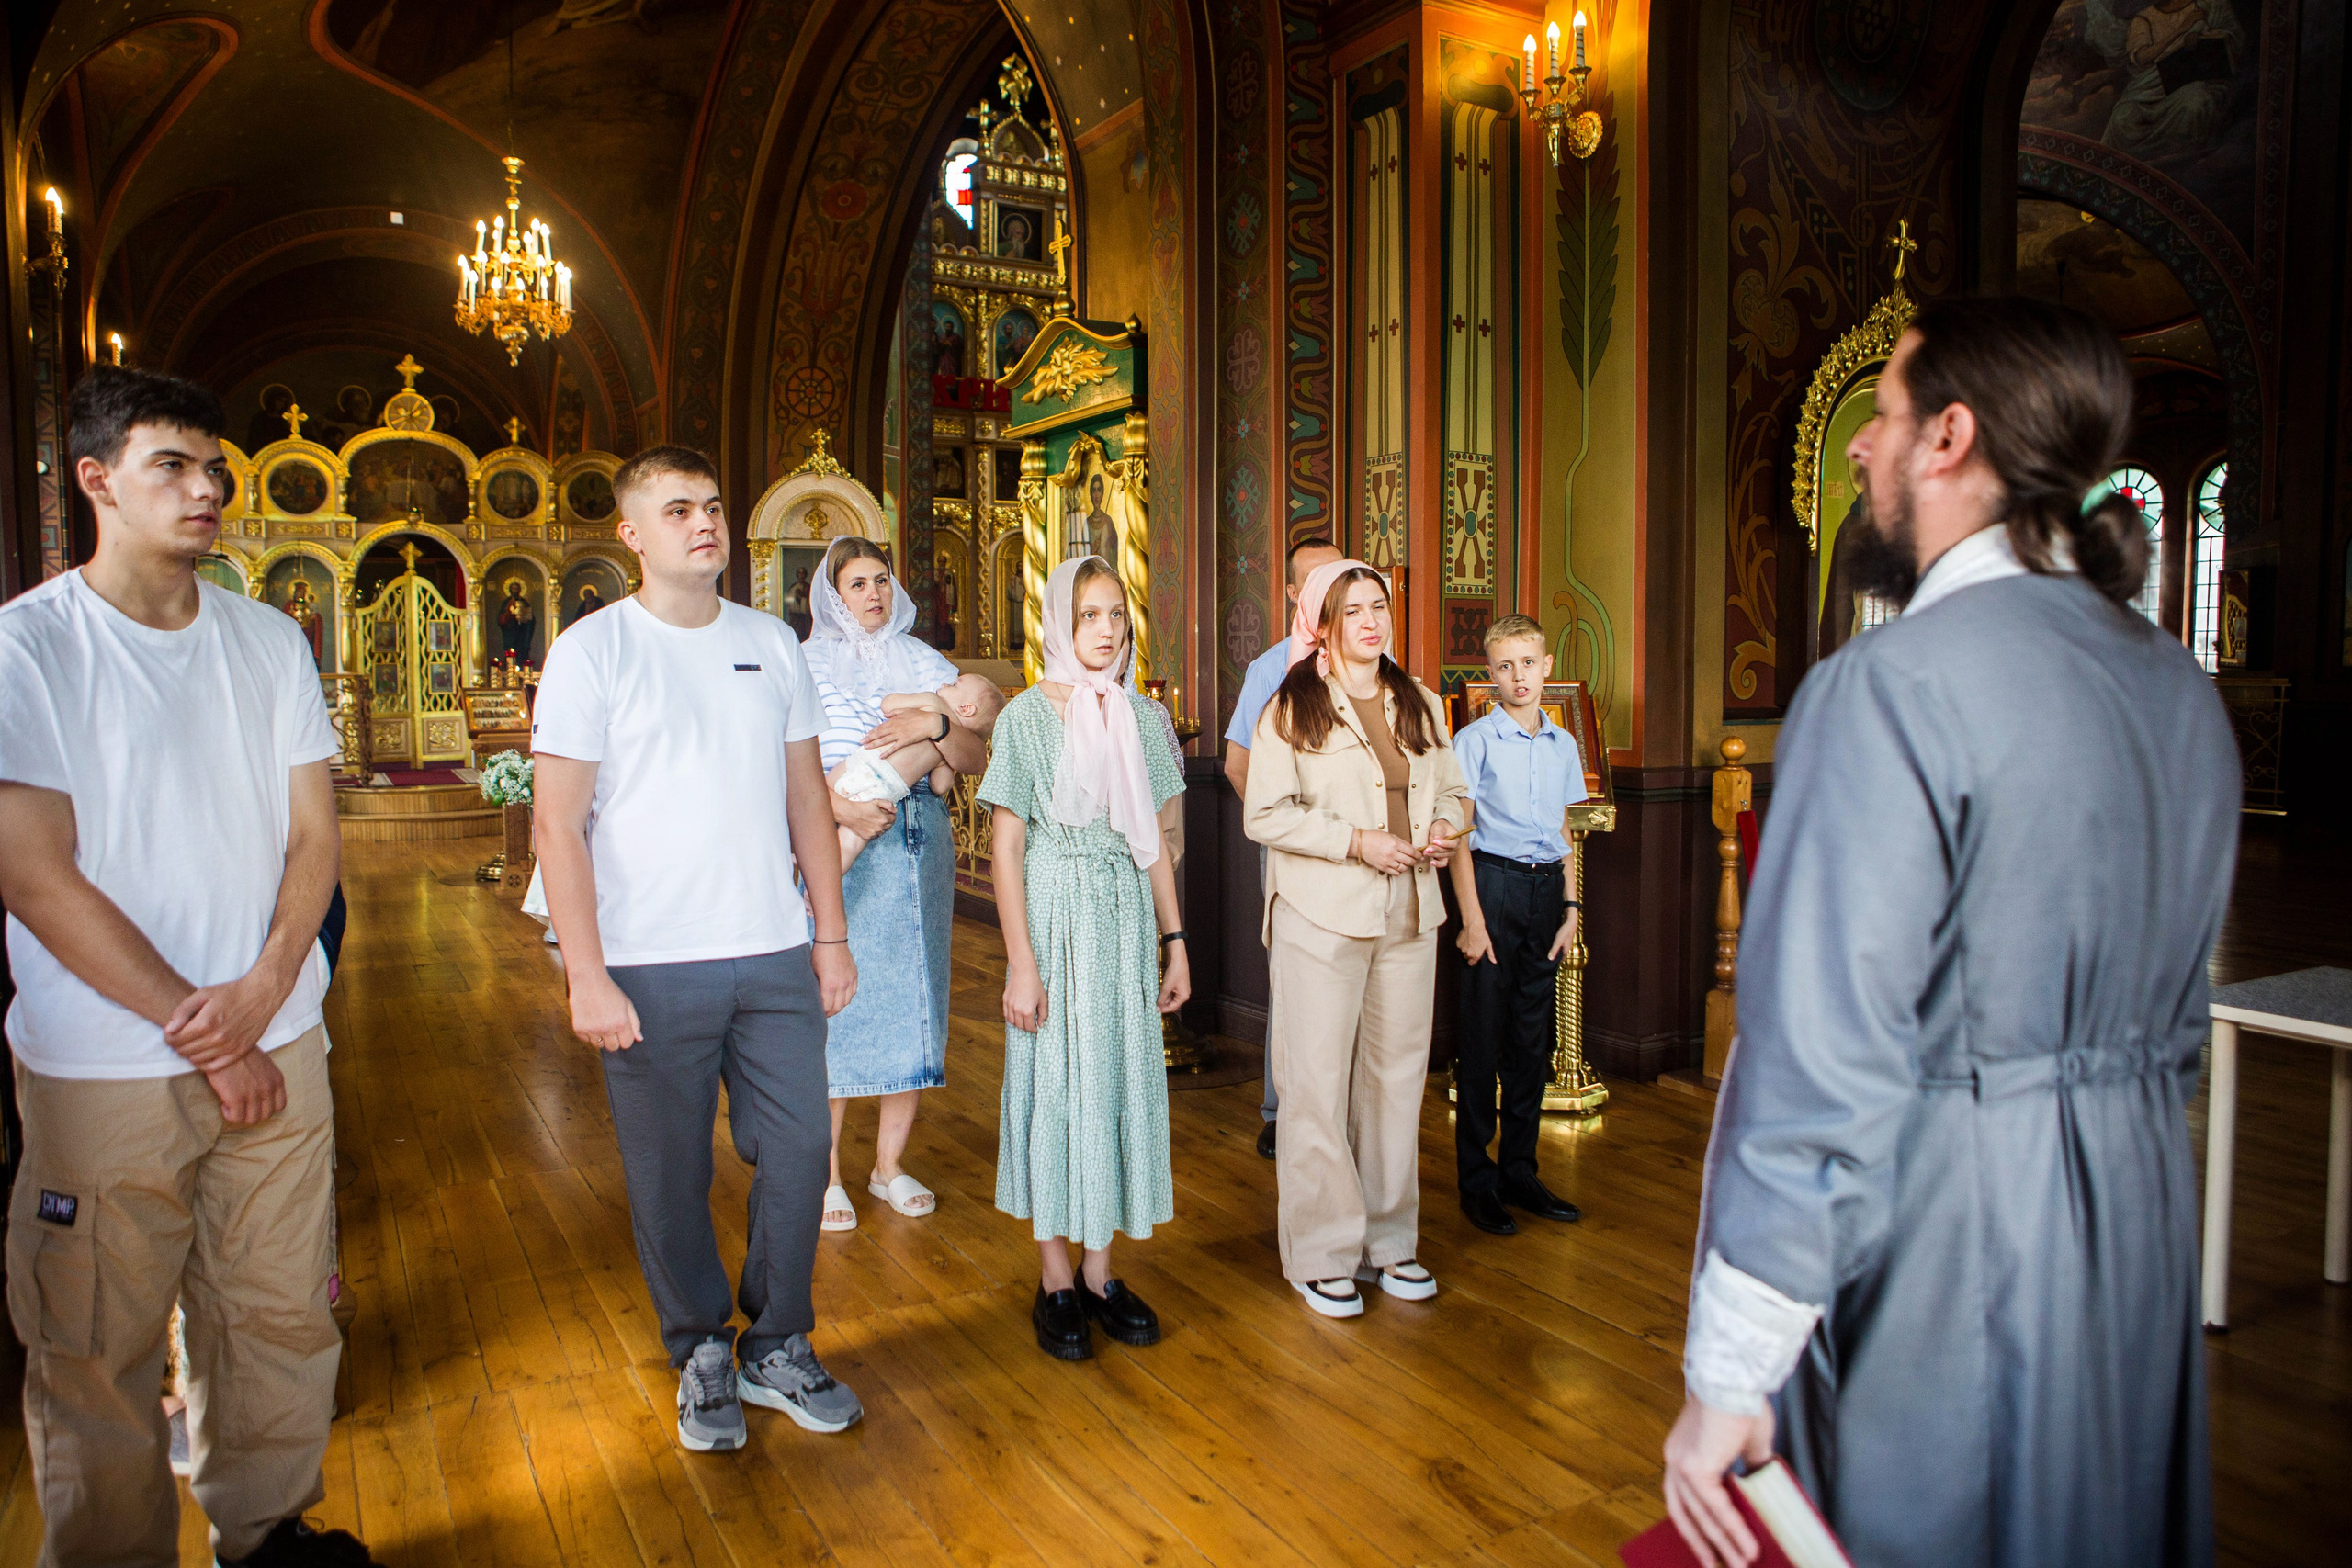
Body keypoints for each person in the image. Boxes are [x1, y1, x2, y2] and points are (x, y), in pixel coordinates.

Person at [1658, 298, 2239, 1568]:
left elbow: (1822, 1063)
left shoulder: (1889, 686)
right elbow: (2179, 1030)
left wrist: (1730, 1370)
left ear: (1950, 438)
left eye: (1882, 418)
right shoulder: (2180, 690)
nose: (1863, 450)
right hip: (2136, 1223)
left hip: (1957, 1233)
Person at [0, 366, 372, 1567]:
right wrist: (203, 1025)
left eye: (214, 466)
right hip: (109, 1060)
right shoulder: (28, 647)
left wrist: (263, 996)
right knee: (94, 1340)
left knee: (273, 1308)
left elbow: (313, 837)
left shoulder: (268, 639)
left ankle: (265, 1529)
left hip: (281, 1040)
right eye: (174, 464)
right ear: (97, 478)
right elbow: (36, 871)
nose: (207, 486)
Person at [531, 443, 865, 1455]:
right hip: (647, 960)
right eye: (677, 510)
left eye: (712, 507)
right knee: (670, 1172)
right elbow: (558, 824)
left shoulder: (771, 641)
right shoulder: (594, 649)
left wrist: (830, 932)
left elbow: (808, 795)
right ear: (632, 534)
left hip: (770, 947)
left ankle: (776, 1340)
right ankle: (701, 1349)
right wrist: (586, 973)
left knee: (802, 1149)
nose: (704, 523)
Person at [978, 555, 1189, 1360]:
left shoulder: (1139, 716)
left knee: (1116, 1079)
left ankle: (1103, 1270)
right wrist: (1020, 963)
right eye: (1089, 616)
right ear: (1061, 624)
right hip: (1056, 918)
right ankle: (1055, 1274)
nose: (1106, 631)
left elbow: (1156, 844)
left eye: (1116, 615)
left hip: (1126, 917)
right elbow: (1005, 849)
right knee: (1056, 1084)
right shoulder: (1027, 717)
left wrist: (1175, 941)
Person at [1243, 559, 1467, 1318]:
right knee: (1314, 1086)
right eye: (1354, 610)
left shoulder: (1424, 703)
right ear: (1324, 624)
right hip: (1321, 916)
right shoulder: (1291, 709)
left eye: (1381, 605)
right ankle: (1322, 1253)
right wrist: (1355, 842)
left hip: (1410, 915)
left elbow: (1460, 793)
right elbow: (1264, 814)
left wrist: (1443, 826)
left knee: (1397, 1082)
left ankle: (1390, 1242)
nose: (1372, 620)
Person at [801, 536, 995, 1232]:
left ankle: (886, 1165)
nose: (873, 593)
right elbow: (782, 761)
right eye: (856, 583)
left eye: (881, 579)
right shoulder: (806, 662)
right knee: (835, 1002)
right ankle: (823, 1174)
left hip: (919, 837)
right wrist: (836, 804)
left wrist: (937, 721)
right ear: (832, 594)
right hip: (842, 823)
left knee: (915, 993)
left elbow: (971, 754)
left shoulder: (924, 660)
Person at [1447, 614, 1587, 1235]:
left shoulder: (1564, 745)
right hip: (1493, 886)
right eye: (1504, 666)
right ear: (1490, 674)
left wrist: (1572, 909)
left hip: (1542, 894)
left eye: (1527, 663)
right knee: (1482, 1042)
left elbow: (1564, 832)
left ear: (1546, 665)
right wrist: (1472, 921)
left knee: (1532, 1044)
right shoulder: (1474, 741)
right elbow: (1457, 835)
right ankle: (1476, 1182)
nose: (1518, 676)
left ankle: (1520, 1170)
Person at [1223, 536, 1344, 1159]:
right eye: (1318, 580)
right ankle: (1279, 1109)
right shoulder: (1271, 669)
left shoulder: (1381, 662)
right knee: (1292, 982)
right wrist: (1286, 832)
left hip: (1360, 857)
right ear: (1295, 593)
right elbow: (1238, 766)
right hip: (1295, 853)